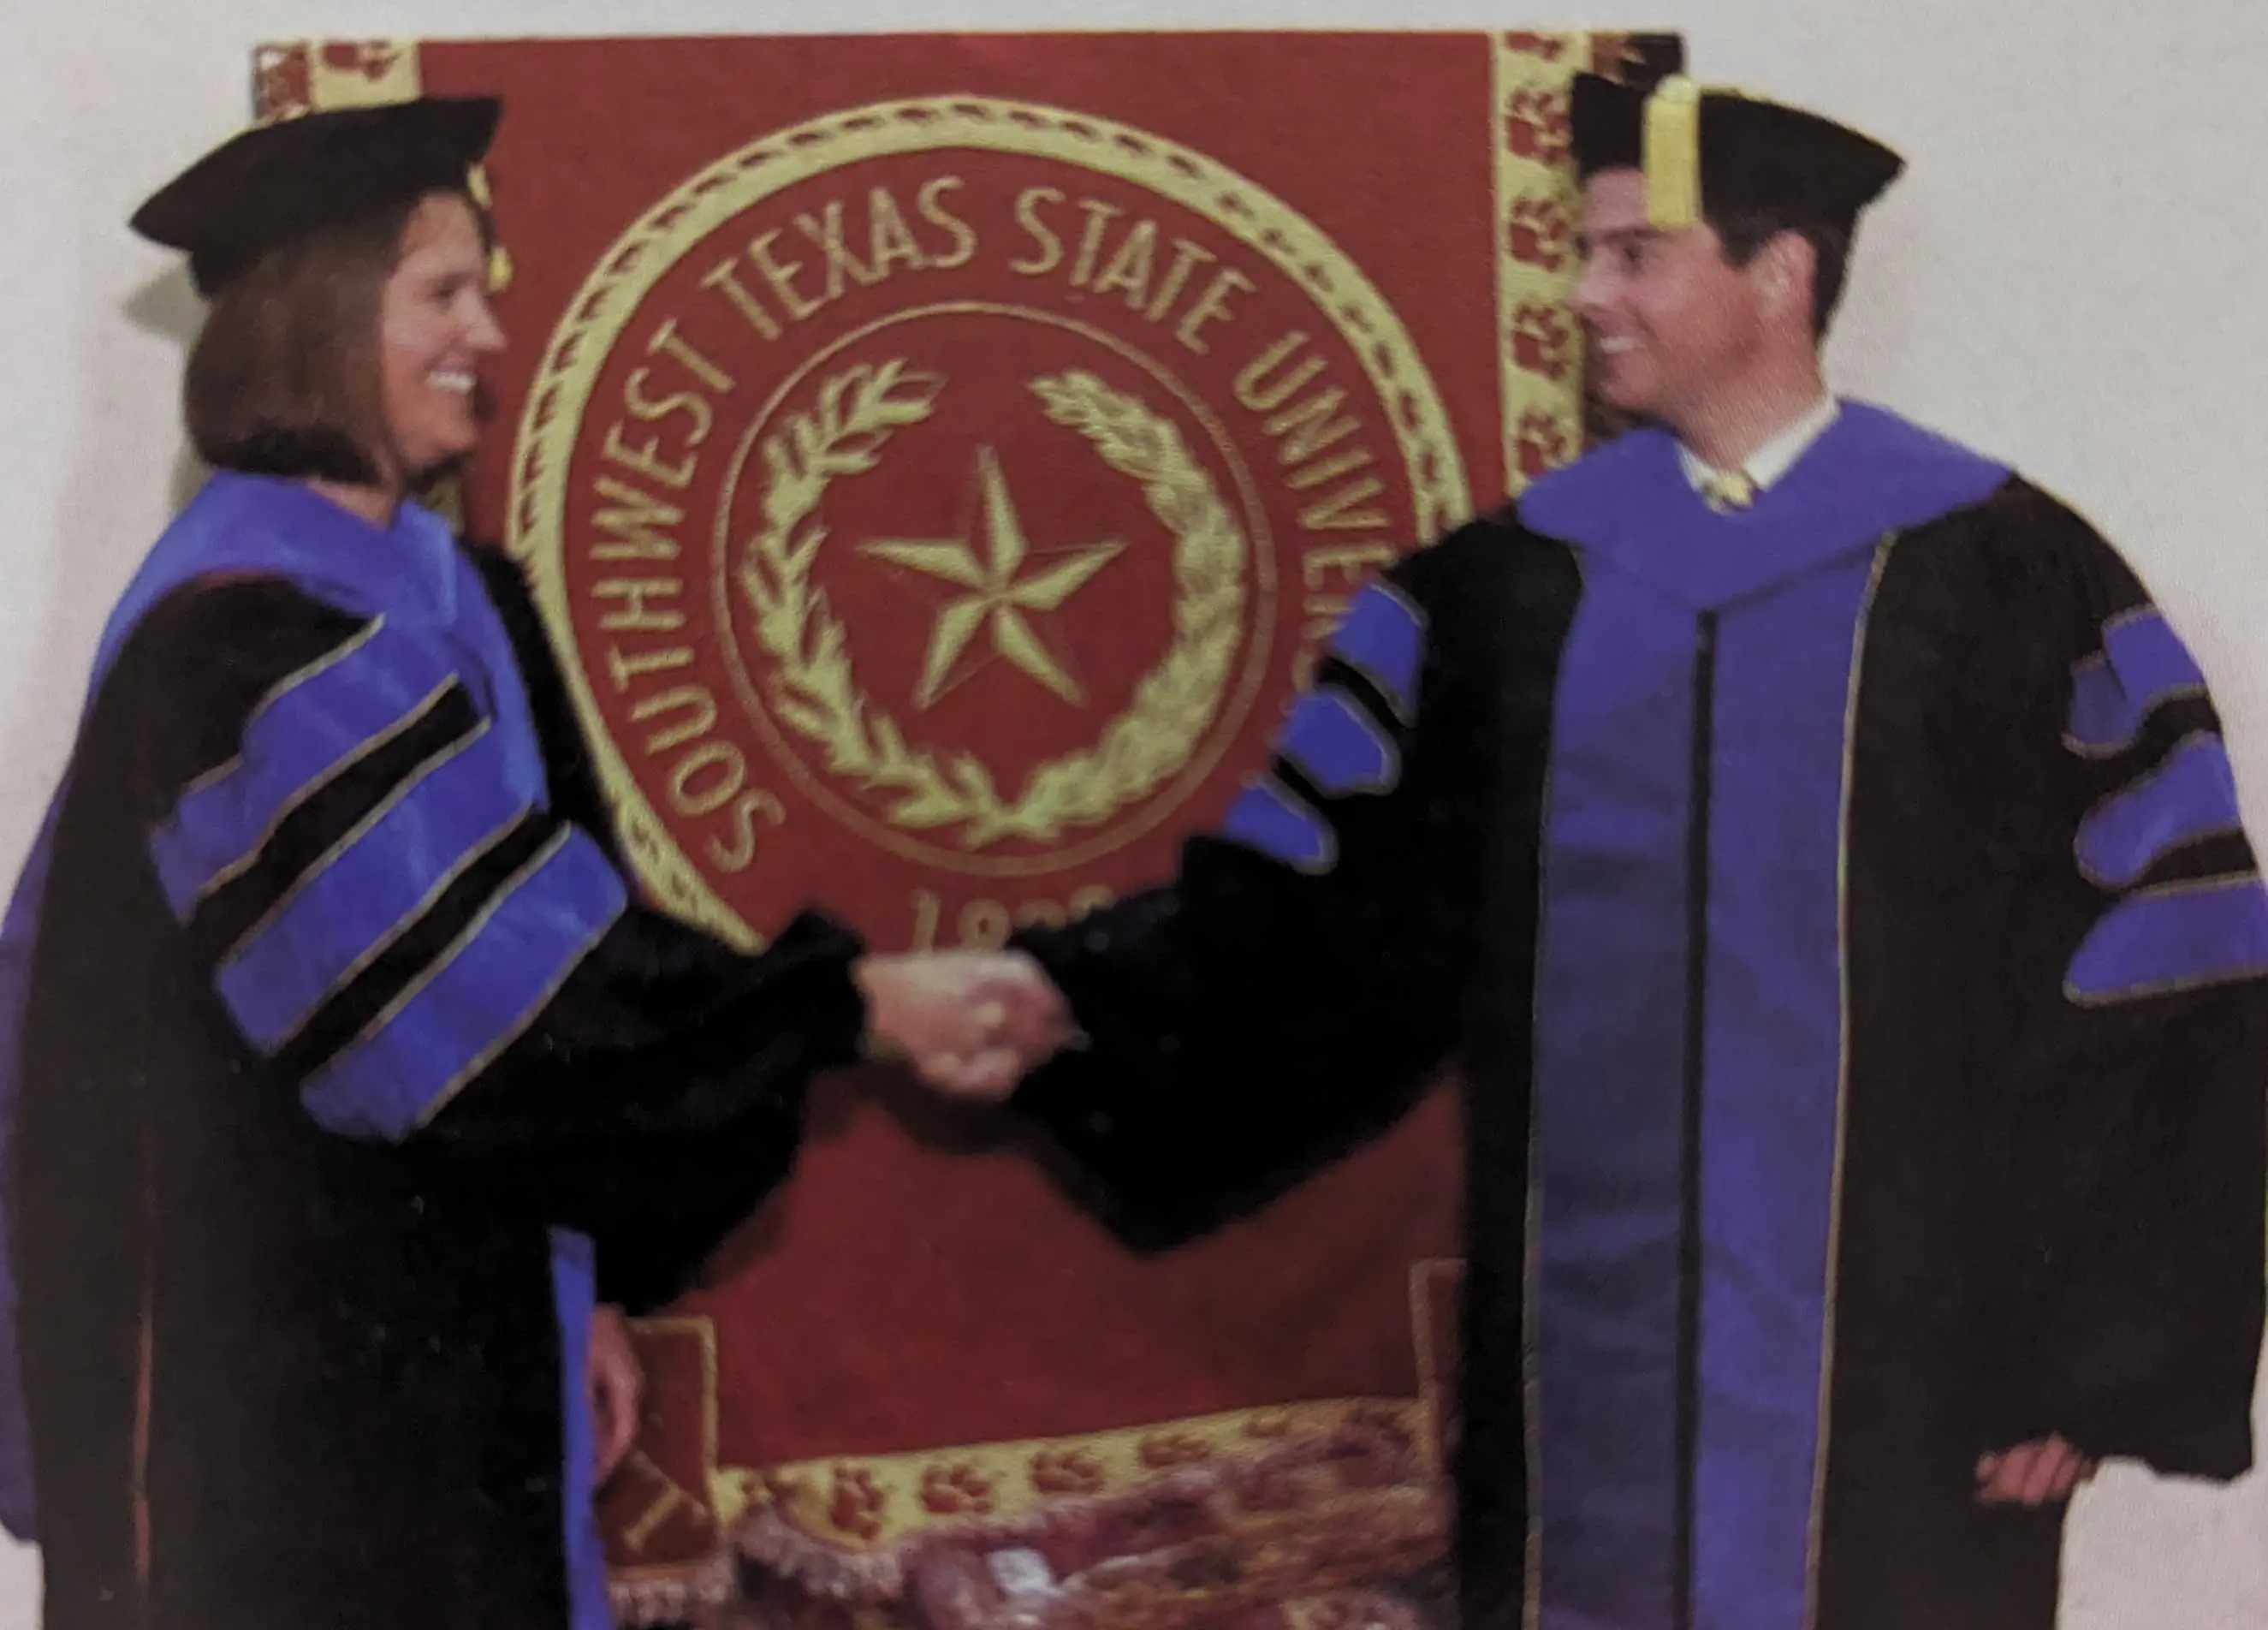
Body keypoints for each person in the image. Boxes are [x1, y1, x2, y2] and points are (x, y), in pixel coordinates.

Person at [919, 71, 2268, 1630]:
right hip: (1581, 1379)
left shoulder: (2003, 577)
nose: (1584, 292)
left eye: (1633, 254)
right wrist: (1048, 999)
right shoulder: (1509, 594)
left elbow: (2157, 972)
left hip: (1918, 1382)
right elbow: (1317, 917)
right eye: (1586, 253)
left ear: (1780, 277)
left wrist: (2078, 1360)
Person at [0, 97, 1051, 1629]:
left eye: (483, 289)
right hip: (282, 1359)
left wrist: (589, 1283)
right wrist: (845, 1006)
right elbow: (486, 1004)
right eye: (443, 293)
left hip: (449, 1301)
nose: (488, 333)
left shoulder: (453, 588)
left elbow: (565, 925)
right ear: (317, 316)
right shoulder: (238, 637)